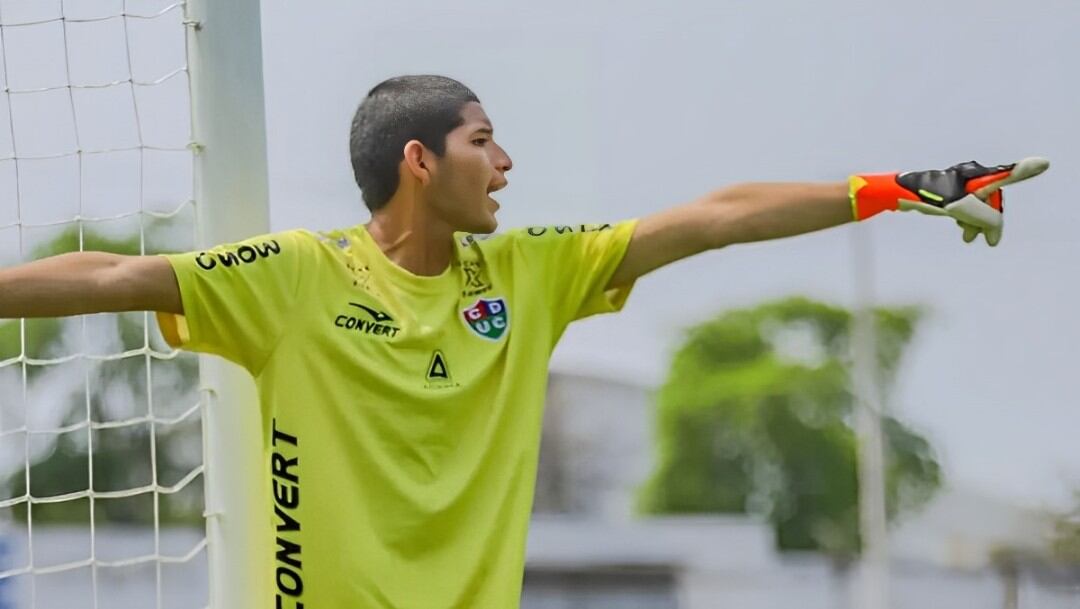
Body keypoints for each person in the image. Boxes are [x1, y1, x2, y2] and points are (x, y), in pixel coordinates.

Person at [0, 74, 1048, 608]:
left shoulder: (527, 274)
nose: (507, 160)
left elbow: (719, 212)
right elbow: (110, 276)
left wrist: (897, 190)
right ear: (419, 160)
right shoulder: (291, 277)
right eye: (482, 139)